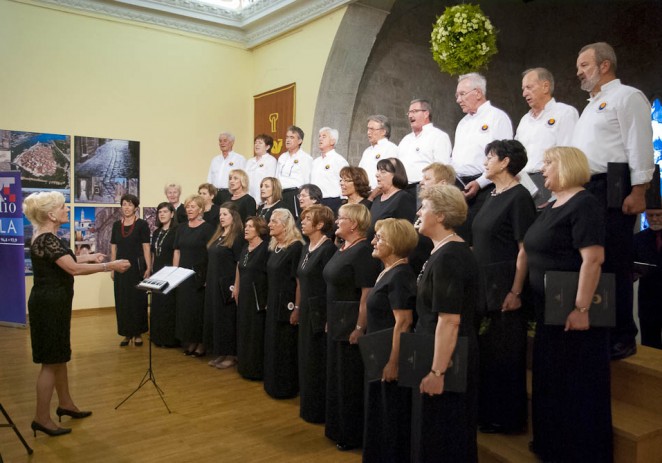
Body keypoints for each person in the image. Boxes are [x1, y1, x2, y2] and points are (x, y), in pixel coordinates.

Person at [512, 146, 611, 462]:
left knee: (574, 385)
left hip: (572, 314)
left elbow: (593, 259)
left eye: (548, 163)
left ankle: (576, 451)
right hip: (548, 312)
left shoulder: (585, 204)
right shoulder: (553, 204)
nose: (542, 170)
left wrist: (582, 308)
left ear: (567, 166)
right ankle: (553, 445)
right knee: (550, 382)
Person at [571, 42, 655, 360]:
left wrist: (639, 190)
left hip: (613, 187)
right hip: (587, 189)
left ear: (605, 65)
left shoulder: (627, 97)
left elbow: (639, 145)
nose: (578, 71)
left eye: (584, 65)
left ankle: (623, 335)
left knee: (615, 260)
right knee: (592, 260)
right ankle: (600, 329)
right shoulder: (591, 105)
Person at [23, 191, 130, 436]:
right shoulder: (46, 239)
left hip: (54, 304)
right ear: (51, 214)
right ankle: (41, 417)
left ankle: (66, 404)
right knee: (50, 363)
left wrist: (90, 256)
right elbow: (72, 269)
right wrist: (109, 266)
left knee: (59, 357)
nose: (67, 210)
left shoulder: (47, 237)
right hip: (48, 306)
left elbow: (64, 259)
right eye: (63, 207)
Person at [471, 140, 536, 434]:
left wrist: (516, 290)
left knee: (506, 353)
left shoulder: (519, 197)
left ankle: (508, 417)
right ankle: (487, 412)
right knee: (488, 353)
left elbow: (524, 248)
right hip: (485, 284)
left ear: (506, 161)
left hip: (506, 284)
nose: (485, 161)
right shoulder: (492, 195)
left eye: (490, 156)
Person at [414, 184, 480, 462]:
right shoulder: (442, 251)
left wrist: (438, 372)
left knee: (444, 434)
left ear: (440, 216)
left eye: (425, 207)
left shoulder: (450, 256)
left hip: (447, 358)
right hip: (436, 348)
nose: (419, 212)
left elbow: (450, 320)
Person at [322, 204, 380, 451]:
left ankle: (351, 433)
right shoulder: (342, 247)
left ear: (354, 224)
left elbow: (367, 294)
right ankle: (336, 427)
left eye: (341, 218)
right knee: (336, 376)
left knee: (349, 380)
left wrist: (359, 326)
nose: (336, 221)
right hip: (337, 320)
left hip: (350, 325)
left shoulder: (364, 252)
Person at [363, 218, 418, 462]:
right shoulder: (387, 271)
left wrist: (394, 361)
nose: (373, 242)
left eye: (380, 238)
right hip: (379, 351)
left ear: (394, 244)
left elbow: (404, 322)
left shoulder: (400, 276)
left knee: (390, 412)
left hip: (390, 355)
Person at [451, 72, 513, 243]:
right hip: (460, 187)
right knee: (460, 234)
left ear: (478, 93)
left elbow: (503, 157)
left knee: (480, 236)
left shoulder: (497, 117)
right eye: (457, 95)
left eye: (462, 94)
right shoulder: (462, 123)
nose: (458, 99)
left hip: (486, 186)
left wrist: (480, 182)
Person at [296, 205, 337, 423]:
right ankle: (308, 406)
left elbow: (329, 286)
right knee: (305, 359)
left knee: (316, 362)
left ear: (320, 224)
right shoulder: (306, 247)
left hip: (320, 313)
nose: (302, 222)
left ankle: (318, 410)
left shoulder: (328, 249)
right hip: (306, 312)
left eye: (307, 218)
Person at [515, 68, 579, 207]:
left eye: (529, 87)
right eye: (523, 89)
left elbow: (567, 157)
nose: (524, 93)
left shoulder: (565, 113)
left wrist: (557, 194)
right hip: (523, 182)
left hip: (549, 182)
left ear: (545, 86)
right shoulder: (524, 120)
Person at [263, 208, 304, 399]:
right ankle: (272, 384)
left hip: (287, 305)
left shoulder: (295, 247)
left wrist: (297, 308)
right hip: (273, 302)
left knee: (284, 347)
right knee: (273, 345)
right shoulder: (275, 246)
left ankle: (285, 387)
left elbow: (299, 282)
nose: (269, 224)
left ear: (285, 224)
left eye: (274, 221)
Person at [173, 195, 216, 357]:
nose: (189, 209)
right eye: (187, 206)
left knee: (198, 311)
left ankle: (201, 344)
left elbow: (211, 254)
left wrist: (207, 277)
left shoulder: (208, 229)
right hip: (183, 274)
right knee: (186, 310)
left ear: (201, 209)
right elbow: (177, 251)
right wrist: (174, 273)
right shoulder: (182, 228)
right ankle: (190, 341)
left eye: (192, 206)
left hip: (199, 276)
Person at [205, 203, 245, 369]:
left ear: (233, 216)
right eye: (220, 214)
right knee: (217, 318)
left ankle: (231, 355)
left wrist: (236, 285)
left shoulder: (237, 237)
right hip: (214, 281)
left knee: (228, 319)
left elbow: (238, 263)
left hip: (227, 283)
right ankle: (221, 352)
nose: (221, 217)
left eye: (225, 214)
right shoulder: (219, 234)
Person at [110, 193, 151, 347]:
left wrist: (149, 267)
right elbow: (113, 247)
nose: (126, 207)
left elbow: (146, 246)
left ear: (135, 207)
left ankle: (138, 333)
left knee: (137, 300)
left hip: (136, 268)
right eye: (124, 204)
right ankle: (126, 333)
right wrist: (112, 267)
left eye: (130, 204)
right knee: (122, 301)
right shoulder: (115, 225)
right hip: (120, 268)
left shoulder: (142, 224)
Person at [235, 217, 270, 380]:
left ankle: (255, 369)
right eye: (246, 226)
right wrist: (236, 287)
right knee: (244, 330)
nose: (246, 229)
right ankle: (244, 365)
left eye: (250, 226)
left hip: (257, 297)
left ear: (259, 229)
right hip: (244, 295)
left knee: (255, 332)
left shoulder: (265, 248)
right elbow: (239, 267)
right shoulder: (245, 247)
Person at [397, 99, 452, 198]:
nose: (410, 116)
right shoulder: (405, 140)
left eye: (414, 111)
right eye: (409, 112)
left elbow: (442, 169)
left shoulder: (438, 136)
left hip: (423, 189)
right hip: (402, 190)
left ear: (426, 113)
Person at [150, 202, 179, 347]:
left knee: (168, 306)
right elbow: (154, 253)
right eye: (159, 212)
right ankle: (157, 337)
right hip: (157, 271)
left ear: (172, 214)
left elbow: (176, 252)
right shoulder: (157, 232)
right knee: (158, 305)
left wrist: (174, 273)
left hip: (169, 272)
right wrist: (151, 271)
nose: (162, 214)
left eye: (165, 212)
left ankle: (168, 340)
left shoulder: (176, 231)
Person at [633, 208, 662, 349]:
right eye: (651, 215)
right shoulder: (638, 239)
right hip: (648, 299)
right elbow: (631, 267)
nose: (655, 219)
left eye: (659, 215)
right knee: (650, 344)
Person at [369, 158, 417, 236]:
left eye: (383, 172)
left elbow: (404, 232)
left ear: (396, 175)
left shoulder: (403, 198)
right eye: (378, 170)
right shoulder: (377, 198)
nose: (377, 174)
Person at [358, 115, 398, 198]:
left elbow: (389, 178)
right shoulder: (367, 151)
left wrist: (372, 197)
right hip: (364, 195)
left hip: (381, 195)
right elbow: (360, 173)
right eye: (368, 129)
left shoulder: (391, 148)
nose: (368, 132)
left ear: (383, 131)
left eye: (372, 129)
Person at [277, 125, 313, 217]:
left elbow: (307, 180)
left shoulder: (305, 158)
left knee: (294, 221)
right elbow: (277, 176)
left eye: (292, 137)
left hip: (294, 194)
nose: (288, 140)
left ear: (300, 141)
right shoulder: (282, 157)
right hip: (280, 194)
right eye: (287, 137)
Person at [311, 127, 349, 214]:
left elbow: (345, 181)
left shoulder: (339, 160)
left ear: (332, 141)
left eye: (324, 136)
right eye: (319, 136)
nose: (320, 139)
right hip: (316, 202)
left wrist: (344, 201)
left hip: (332, 202)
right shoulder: (315, 162)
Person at [207, 132, 246, 204]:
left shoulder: (239, 159)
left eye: (225, 141)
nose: (222, 143)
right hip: (215, 194)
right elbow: (210, 178)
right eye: (220, 141)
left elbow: (243, 179)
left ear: (232, 143)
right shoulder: (215, 160)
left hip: (231, 193)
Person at [245, 134, 277, 202]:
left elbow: (270, 181)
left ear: (267, 147)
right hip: (248, 197)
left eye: (260, 143)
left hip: (262, 199)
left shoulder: (271, 160)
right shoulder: (250, 161)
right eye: (255, 143)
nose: (257, 145)